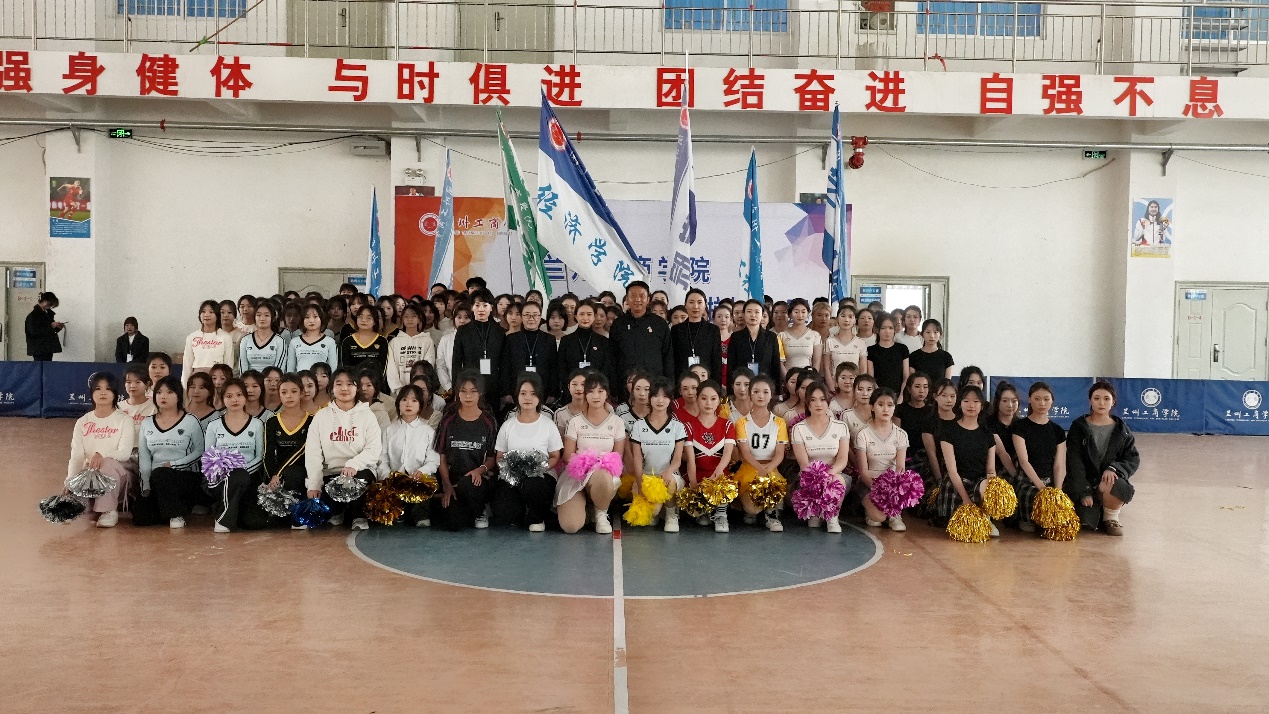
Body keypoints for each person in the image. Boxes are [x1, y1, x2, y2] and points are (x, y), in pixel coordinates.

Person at [304, 367, 383, 531]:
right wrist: (314, 484)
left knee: (358, 479)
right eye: (339, 384)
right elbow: (313, 453)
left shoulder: (368, 415)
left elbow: (374, 449)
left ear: (357, 388)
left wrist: (354, 464)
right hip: (331, 473)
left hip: (359, 471)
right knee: (323, 512)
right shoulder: (321, 416)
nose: (344, 388)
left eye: (350, 384)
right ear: (332, 388)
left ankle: (358, 515)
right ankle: (338, 511)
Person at [1065, 381, 1139, 536]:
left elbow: (1132, 458)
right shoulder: (1078, 427)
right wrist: (1083, 491)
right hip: (1085, 483)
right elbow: (1074, 461)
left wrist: (1114, 468)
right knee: (1086, 523)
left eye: (1106, 398)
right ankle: (1096, 509)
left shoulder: (1122, 430)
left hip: (1108, 483)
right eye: (1097, 398)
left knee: (1117, 484)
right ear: (1090, 401)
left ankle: (1111, 517)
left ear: (1113, 402)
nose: (1101, 403)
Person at [131, 377, 207, 528]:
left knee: (162, 474)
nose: (163, 396)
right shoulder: (147, 423)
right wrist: (145, 486)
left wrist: (174, 464)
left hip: (185, 476)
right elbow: (144, 457)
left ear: (179, 396)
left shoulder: (191, 420)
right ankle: (174, 507)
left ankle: (176, 515)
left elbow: (200, 451)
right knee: (141, 517)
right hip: (156, 478)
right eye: (159, 392)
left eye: (169, 392)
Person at [491, 373, 563, 531]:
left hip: (541, 476)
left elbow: (555, 456)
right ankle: (521, 511)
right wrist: (510, 470)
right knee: (503, 512)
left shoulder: (548, 424)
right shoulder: (508, 425)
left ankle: (537, 517)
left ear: (539, 397)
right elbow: (500, 456)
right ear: (517, 396)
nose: (528, 398)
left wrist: (538, 468)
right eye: (523, 393)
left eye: (533, 394)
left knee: (533, 485)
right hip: (513, 476)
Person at [65, 372, 136, 528]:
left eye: (108, 389)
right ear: (91, 393)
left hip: (120, 475)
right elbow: (76, 456)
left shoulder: (124, 420)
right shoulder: (83, 421)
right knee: (83, 475)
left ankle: (109, 511)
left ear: (115, 393)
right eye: (98, 388)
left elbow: (124, 454)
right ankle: (78, 506)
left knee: (107, 464)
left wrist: (101, 455)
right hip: (91, 474)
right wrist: (70, 481)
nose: (103, 392)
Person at [559, 372, 625, 535]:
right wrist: (585, 465)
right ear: (585, 394)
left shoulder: (617, 422)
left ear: (607, 394)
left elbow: (618, 457)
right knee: (570, 527)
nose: (596, 396)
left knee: (602, 476)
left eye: (600, 391)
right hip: (577, 477)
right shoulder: (574, 422)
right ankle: (587, 505)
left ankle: (601, 513)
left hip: (603, 476)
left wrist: (598, 466)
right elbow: (567, 457)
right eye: (591, 391)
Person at [434, 371, 500, 531]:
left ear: (480, 393)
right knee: (453, 524)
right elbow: (441, 455)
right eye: (463, 391)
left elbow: (493, 458)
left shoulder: (489, 421)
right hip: (454, 482)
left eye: (473, 391)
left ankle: (481, 508)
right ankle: (468, 510)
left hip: (478, 480)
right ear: (457, 393)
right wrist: (447, 485)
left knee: (468, 484)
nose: (468, 396)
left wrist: (479, 470)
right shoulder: (448, 420)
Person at [201, 378, 265, 533]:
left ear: (245, 397)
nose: (234, 399)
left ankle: (228, 508)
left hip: (249, 478)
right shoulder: (214, 425)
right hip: (219, 479)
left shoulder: (257, 424)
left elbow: (260, 457)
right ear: (223, 399)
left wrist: (240, 471)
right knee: (236, 476)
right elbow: (208, 458)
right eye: (229, 396)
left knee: (254, 522)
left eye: (239, 395)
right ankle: (223, 520)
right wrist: (225, 473)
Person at [933, 385, 999, 535]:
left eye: (976, 401)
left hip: (979, 482)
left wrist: (992, 488)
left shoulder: (987, 434)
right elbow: (952, 470)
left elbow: (991, 470)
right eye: (966, 401)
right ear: (960, 404)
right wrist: (966, 500)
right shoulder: (948, 431)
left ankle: (986, 518)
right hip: (957, 483)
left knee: (990, 484)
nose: (971, 405)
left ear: (982, 406)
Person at [790, 381, 852, 533]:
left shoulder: (840, 427)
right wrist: (817, 478)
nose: (818, 404)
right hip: (809, 478)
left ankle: (832, 516)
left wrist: (828, 474)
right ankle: (816, 510)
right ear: (807, 402)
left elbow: (842, 460)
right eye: (813, 400)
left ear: (828, 401)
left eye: (822, 399)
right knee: (813, 524)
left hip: (835, 475)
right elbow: (803, 463)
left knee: (836, 480)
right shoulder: (799, 429)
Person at [628, 377, 688, 532]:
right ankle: (658, 511)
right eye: (655, 396)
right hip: (647, 477)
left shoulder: (677, 427)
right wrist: (640, 483)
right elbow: (637, 459)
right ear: (650, 398)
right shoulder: (639, 426)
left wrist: (668, 471)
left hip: (669, 475)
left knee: (670, 482)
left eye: (665, 396)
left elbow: (677, 460)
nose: (660, 400)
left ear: (670, 399)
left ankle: (671, 514)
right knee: (651, 514)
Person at [378, 384, 441, 528]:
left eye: (414, 400)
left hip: (418, 478)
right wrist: (388, 475)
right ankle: (399, 512)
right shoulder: (389, 430)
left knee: (426, 482)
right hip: (396, 479)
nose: (408, 404)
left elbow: (433, 460)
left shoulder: (428, 431)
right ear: (398, 403)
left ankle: (421, 515)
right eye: (404, 399)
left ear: (420, 405)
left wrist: (422, 471)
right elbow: (382, 458)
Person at [734, 374, 789, 532]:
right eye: (756, 391)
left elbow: (779, 453)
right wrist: (760, 469)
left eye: (765, 392)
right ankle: (750, 510)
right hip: (749, 467)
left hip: (770, 467)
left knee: (774, 483)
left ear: (771, 395)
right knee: (752, 509)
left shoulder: (779, 422)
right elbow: (745, 452)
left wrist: (768, 469)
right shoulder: (742, 422)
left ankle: (772, 515)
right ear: (750, 394)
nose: (761, 396)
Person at [1010, 382, 1067, 533]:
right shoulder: (1020, 427)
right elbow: (1024, 461)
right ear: (1029, 400)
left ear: (1052, 401)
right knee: (1030, 525)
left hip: (1050, 482)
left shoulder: (1058, 431)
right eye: (1037, 399)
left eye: (1046, 399)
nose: (1042, 403)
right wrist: (1042, 489)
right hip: (1027, 481)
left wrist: (1057, 492)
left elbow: (1059, 465)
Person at [682, 380, 736, 533]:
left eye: (713, 399)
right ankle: (705, 510)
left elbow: (727, 455)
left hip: (719, 474)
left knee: (723, 481)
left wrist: (717, 473)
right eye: (704, 398)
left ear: (719, 400)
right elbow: (691, 459)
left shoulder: (727, 425)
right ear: (697, 399)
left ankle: (721, 514)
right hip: (697, 474)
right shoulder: (688, 426)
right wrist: (693, 483)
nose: (708, 403)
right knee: (695, 511)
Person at [853, 387, 910, 531]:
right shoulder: (863, 434)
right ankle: (870, 510)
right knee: (878, 518)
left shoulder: (901, 434)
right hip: (868, 482)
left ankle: (895, 514)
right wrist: (878, 489)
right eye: (880, 404)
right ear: (872, 407)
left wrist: (892, 488)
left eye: (890, 405)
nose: (885, 409)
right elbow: (863, 471)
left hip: (891, 483)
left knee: (892, 519)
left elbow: (900, 467)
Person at [610, 282, 673, 395]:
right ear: (627, 300)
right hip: (625, 387)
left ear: (648, 299)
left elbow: (667, 357)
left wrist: (668, 386)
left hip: (654, 386)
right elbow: (613, 358)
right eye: (633, 296)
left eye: (642, 296)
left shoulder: (659, 324)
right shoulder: (618, 324)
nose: (638, 299)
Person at [451, 290, 505, 403]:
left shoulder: (499, 331)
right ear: (472, 307)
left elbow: (503, 362)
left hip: (493, 385)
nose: (481, 309)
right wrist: (456, 388)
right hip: (470, 384)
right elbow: (456, 362)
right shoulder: (463, 331)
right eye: (477, 305)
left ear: (491, 308)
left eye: (485, 305)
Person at [555, 301, 615, 402]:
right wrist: (569, 389)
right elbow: (562, 369)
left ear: (594, 316)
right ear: (575, 316)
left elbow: (606, 369)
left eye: (589, 314)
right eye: (582, 314)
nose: (585, 318)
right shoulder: (566, 341)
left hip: (596, 393)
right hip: (572, 393)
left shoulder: (603, 342)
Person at [502, 301, 556, 410]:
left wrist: (553, 393)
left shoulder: (549, 340)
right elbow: (505, 367)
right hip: (516, 388)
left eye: (535, 315)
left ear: (540, 317)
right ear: (522, 317)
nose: (531, 318)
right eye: (527, 315)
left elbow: (553, 368)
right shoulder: (511, 339)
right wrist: (506, 392)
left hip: (542, 389)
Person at [670, 288, 724, 385]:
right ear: (685, 305)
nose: (695, 306)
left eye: (699, 302)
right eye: (691, 302)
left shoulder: (713, 330)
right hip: (683, 381)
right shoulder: (676, 330)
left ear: (705, 305)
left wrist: (715, 386)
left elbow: (716, 361)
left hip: (706, 381)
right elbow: (673, 360)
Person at [182, 300, 235, 388]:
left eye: (211, 312)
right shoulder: (192, 337)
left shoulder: (226, 337)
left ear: (217, 315)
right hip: (197, 379)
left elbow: (228, 365)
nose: (206, 315)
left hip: (217, 380)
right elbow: (187, 365)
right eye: (203, 312)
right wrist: (185, 387)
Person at [386, 304, 437, 394]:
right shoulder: (394, 342)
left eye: (413, 316)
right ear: (402, 319)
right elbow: (391, 369)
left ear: (419, 319)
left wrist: (420, 386)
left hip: (421, 391)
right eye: (406, 316)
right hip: (399, 393)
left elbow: (428, 366)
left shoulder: (427, 341)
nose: (410, 319)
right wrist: (398, 389)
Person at [727, 299, 782, 381]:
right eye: (749, 311)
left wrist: (777, 388)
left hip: (764, 383)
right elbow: (731, 366)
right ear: (744, 314)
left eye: (757, 312)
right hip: (742, 383)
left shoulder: (771, 337)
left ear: (762, 315)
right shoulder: (736, 337)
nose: (753, 315)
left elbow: (776, 366)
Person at [340, 306, 391, 385]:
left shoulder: (382, 341)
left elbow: (383, 368)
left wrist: (373, 385)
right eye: (360, 317)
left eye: (368, 318)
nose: (364, 320)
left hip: (374, 385)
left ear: (375, 321)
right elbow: (346, 367)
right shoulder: (348, 341)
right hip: (353, 385)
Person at [894, 372, 933, 471]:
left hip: (927, 457)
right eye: (917, 386)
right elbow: (896, 438)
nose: (922, 390)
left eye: (925, 387)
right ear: (909, 389)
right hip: (906, 456)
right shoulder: (900, 409)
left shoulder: (932, 411)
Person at [288, 304, 340, 373]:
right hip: (300, 379)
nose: (311, 321)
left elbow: (333, 369)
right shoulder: (294, 342)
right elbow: (290, 369)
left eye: (315, 316)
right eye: (307, 317)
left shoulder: (330, 342)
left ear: (321, 319)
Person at [239, 301, 288, 374]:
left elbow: (279, 369)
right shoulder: (245, 340)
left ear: (273, 319)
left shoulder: (279, 341)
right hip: (250, 380)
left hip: (272, 380)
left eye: (266, 315)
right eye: (258, 315)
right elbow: (243, 367)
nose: (262, 318)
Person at [866, 314, 910, 394]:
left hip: (899, 394)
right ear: (878, 330)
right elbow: (871, 378)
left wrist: (901, 395)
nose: (887, 331)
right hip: (878, 393)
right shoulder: (871, 350)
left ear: (894, 330)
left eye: (890, 328)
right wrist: (879, 394)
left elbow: (906, 376)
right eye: (883, 328)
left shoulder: (902, 349)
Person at [823, 304, 868, 381]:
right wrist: (832, 386)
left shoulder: (861, 342)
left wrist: (858, 385)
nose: (846, 320)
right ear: (837, 319)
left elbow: (863, 369)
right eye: (843, 316)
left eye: (850, 317)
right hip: (835, 384)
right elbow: (827, 368)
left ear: (855, 320)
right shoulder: (829, 341)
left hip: (855, 384)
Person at [987, 382, 1021, 481]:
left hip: (1019, 470)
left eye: (1014, 401)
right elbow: (1002, 454)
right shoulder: (988, 424)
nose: (1010, 405)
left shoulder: (1021, 425)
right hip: (994, 473)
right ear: (997, 402)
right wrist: (1018, 480)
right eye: (1005, 401)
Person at [778, 298, 824, 372]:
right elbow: (780, 363)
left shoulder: (815, 335)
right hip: (788, 376)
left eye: (803, 312)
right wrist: (788, 377)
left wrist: (812, 377)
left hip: (808, 376)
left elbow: (816, 362)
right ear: (790, 314)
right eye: (796, 312)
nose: (800, 315)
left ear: (808, 314)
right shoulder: (781, 336)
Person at [436, 304, 472, 395]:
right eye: (459, 317)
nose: (462, 321)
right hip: (450, 389)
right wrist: (448, 386)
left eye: (466, 317)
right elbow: (440, 365)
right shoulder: (446, 339)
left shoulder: (476, 339)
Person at [119, 364, 156, 439]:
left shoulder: (155, 407)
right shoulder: (118, 407)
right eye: (128, 382)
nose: (132, 386)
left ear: (147, 384)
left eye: (138, 382)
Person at [25, 291, 64, 361]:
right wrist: (51, 326)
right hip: (38, 348)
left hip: (47, 347)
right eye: (51, 304)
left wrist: (57, 328)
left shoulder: (47, 314)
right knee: (40, 365)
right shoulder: (33, 316)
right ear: (45, 301)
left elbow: (48, 331)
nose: (51, 306)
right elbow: (34, 332)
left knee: (47, 365)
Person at [841, 373, 877, 447]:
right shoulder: (846, 416)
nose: (865, 393)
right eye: (860, 389)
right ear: (853, 392)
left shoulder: (879, 413)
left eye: (869, 390)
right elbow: (845, 444)